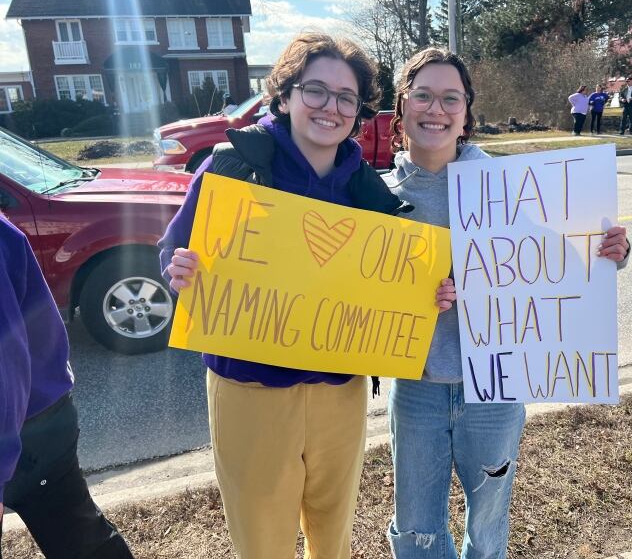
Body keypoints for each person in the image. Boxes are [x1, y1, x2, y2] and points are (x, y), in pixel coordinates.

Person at [158, 32, 412, 559]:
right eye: (315, 90)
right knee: (262, 542)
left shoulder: (365, 188)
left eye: (346, 97)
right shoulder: (233, 164)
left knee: (333, 535)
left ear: (359, 111)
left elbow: (390, 281)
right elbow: (175, 247)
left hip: (337, 392)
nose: (330, 107)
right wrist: (177, 268)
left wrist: (424, 291)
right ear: (285, 95)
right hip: (251, 388)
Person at [383, 47, 631, 559]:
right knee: (415, 526)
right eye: (423, 95)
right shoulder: (377, 196)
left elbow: (557, 253)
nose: (436, 109)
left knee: (489, 521)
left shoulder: (508, 185)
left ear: (467, 112)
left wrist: (610, 251)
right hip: (417, 387)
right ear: (401, 107)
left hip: (494, 391)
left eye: (451, 98)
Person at [0, 214, 134, 559]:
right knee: (84, 540)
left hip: (30, 427)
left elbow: (5, 365)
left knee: (83, 544)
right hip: (41, 416)